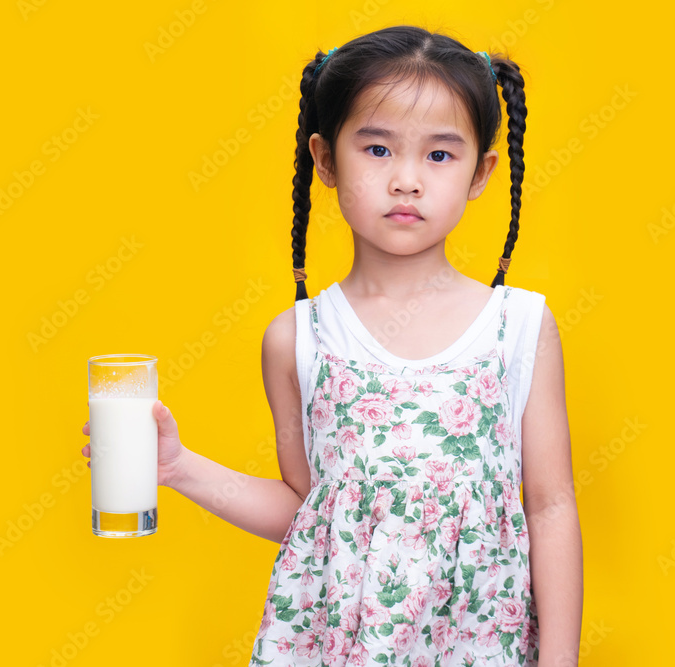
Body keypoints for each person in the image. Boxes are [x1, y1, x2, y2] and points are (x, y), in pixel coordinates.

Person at [82, 24, 582, 666]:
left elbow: (550, 506)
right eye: (377, 149)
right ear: (324, 160)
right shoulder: (297, 339)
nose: (406, 180)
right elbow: (307, 513)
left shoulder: (520, 327)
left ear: (481, 172)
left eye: (439, 155)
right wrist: (178, 468)